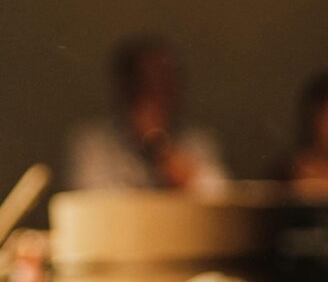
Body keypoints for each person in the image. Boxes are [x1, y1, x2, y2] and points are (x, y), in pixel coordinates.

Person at [66, 37, 228, 192]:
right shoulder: (93, 145)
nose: (156, 95)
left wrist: (160, 147)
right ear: (124, 89)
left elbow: (221, 199)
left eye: (165, 83)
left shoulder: (197, 143)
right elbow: (99, 203)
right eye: (145, 83)